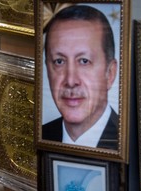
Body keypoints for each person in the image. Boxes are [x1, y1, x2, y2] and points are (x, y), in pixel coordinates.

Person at [42, 5, 118, 150]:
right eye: (59, 61)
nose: (71, 81)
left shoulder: (132, 145)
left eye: (84, 61)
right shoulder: (41, 136)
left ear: (110, 73)